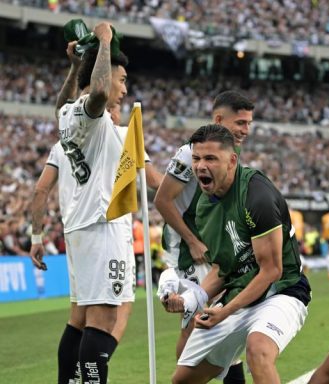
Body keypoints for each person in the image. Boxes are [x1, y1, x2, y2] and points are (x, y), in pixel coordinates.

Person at [165, 124, 310, 384]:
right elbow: (223, 269)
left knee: (258, 349)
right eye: (196, 159)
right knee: (183, 379)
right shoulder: (203, 208)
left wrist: (226, 311)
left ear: (232, 160)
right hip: (239, 295)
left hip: (282, 289)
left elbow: (271, 271)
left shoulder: (256, 195)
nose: (200, 166)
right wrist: (189, 300)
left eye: (210, 158)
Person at [36, 22, 133, 384]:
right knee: (103, 320)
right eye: (121, 80)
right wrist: (104, 42)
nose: (123, 89)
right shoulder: (94, 115)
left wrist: (76, 66)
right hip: (100, 224)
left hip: (80, 227)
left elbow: (62, 103)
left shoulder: (69, 114)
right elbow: (101, 91)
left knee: (78, 320)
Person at [154, 90, 254, 383]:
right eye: (241, 123)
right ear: (219, 119)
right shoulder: (189, 154)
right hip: (192, 253)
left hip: (216, 252)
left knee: (225, 325)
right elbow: (163, 201)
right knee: (195, 326)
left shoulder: (230, 153)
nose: (246, 130)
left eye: (249, 123)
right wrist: (193, 241)